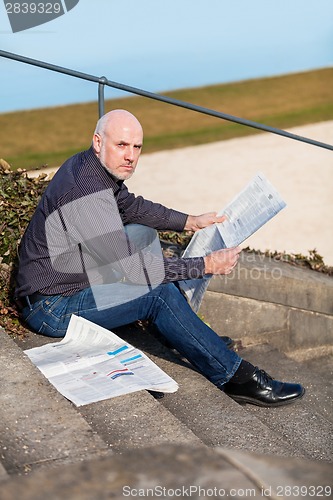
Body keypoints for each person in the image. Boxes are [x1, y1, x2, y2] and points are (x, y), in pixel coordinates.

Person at [15, 109, 305, 407]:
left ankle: (183, 332)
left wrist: (190, 221)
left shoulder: (90, 166)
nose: (130, 156)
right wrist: (205, 265)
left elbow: (133, 208)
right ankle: (236, 377)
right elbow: (134, 273)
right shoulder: (86, 192)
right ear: (98, 142)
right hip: (51, 306)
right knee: (158, 293)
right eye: (121, 145)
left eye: (136, 147)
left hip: (72, 279)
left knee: (140, 232)